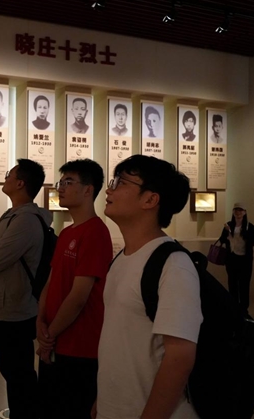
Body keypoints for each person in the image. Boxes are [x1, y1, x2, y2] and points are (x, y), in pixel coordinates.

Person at [96, 154, 202, 419]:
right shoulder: (121, 259)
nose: (109, 190)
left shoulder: (173, 265)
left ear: (150, 200)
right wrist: (104, 399)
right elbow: (121, 340)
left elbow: (180, 358)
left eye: (121, 183)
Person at [0, 159, 51, 419]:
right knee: (11, 368)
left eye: (9, 175)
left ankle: (26, 412)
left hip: (15, 307)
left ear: (20, 183)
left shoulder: (26, 220)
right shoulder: (12, 215)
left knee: (18, 370)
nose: (5, 178)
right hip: (4, 304)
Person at [38, 159, 112, 419]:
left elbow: (79, 297)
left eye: (69, 182)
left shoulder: (96, 232)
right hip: (54, 341)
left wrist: (49, 336)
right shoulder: (67, 233)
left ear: (88, 190)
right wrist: (40, 321)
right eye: (61, 182)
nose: (61, 188)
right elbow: (51, 282)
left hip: (79, 347)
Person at [219, 202, 254, 315]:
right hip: (232, 258)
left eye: (240, 210)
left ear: (245, 212)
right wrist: (227, 232)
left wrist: (245, 234)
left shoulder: (250, 227)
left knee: (244, 284)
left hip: (245, 260)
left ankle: (244, 308)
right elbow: (222, 240)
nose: (238, 212)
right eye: (236, 210)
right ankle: (234, 306)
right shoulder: (228, 225)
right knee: (232, 283)